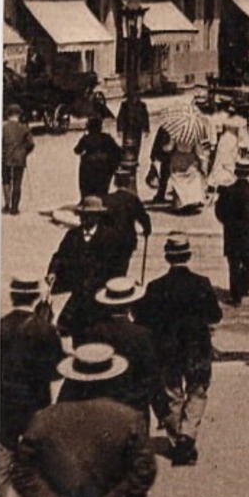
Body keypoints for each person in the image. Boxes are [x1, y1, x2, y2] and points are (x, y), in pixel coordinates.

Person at [9, 345, 158, 497]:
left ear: (72, 378)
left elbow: (22, 472)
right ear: (112, 378)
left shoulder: (43, 418)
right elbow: (143, 472)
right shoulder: (128, 418)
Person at [134, 236, 221, 466]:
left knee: (172, 393)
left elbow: (141, 318)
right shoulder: (202, 283)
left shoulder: (155, 287)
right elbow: (215, 315)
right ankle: (187, 435)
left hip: (167, 349)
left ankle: (177, 438)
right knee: (197, 391)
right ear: (188, 256)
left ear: (167, 257)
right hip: (197, 348)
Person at [66, 277, 165, 433]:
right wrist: (163, 411)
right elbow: (152, 375)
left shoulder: (91, 333)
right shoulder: (141, 335)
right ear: (130, 305)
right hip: (135, 407)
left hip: (100, 410)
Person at [0, 277, 59, 497]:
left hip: (5, 403)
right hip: (36, 403)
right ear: (35, 297)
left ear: (13, 296)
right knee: (37, 460)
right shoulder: (45, 329)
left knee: (2, 459)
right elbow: (57, 369)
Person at [48, 197, 124, 343]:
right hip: (78, 293)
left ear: (97, 217)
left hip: (100, 294)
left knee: (99, 332)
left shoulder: (110, 237)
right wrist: (52, 272)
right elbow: (59, 256)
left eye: (89, 215)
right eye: (83, 215)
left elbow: (116, 266)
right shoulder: (73, 235)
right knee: (73, 330)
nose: (85, 219)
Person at [215, 158, 249, 307]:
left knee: (233, 264)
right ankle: (245, 288)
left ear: (235, 172)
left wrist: (227, 222)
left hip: (232, 232)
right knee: (247, 262)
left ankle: (235, 296)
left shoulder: (227, 191)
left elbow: (219, 211)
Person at [102, 160, 152, 282]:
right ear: (128, 181)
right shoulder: (133, 199)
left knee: (108, 268)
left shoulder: (107, 199)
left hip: (108, 240)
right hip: (127, 240)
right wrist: (147, 230)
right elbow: (144, 218)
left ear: (115, 182)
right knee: (122, 268)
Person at [75, 117, 124, 200]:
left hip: (88, 169)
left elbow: (77, 150)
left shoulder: (86, 138)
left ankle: (87, 201)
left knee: (87, 189)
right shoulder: (106, 138)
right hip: (103, 169)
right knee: (102, 190)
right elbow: (117, 151)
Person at [1, 104, 34, 215]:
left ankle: (6, 205)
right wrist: (24, 152)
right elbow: (31, 144)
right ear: (18, 115)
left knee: (6, 181)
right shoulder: (24, 128)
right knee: (17, 182)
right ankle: (14, 208)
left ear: (8, 114)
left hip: (5, 158)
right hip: (19, 159)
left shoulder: (3, 128)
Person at [206, 108, 246, 194]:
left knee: (225, 162)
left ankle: (223, 181)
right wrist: (241, 144)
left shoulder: (233, 119)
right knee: (223, 162)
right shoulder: (239, 120)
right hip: (229, 141)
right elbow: (241, 135)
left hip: (227, 141)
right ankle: (222, 181)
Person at [115, 94, 149, 171]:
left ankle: (135, 160)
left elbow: (145, 117)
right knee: (127, 144)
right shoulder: (125, 105)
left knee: (137, 145)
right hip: (128, 128)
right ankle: (126, 160)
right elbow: (120, 117)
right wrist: (119, 129)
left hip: (137, 128)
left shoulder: (142, 105)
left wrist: (146, 129)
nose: (135, 98)